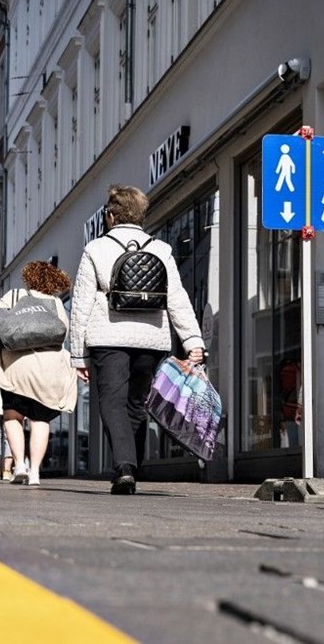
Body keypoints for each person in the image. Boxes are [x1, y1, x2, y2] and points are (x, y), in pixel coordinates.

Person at [69, 185, 204, 495]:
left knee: (112, 403)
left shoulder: (96, 249)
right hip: (152, 339)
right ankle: (130, 466)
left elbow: (81, 306)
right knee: (137, 404)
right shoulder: (161, 249)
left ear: (111, 216)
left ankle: (124, 466)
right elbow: (177, 298)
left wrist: (79, 354)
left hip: (108, 337)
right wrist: (192, 339)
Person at [0, 261, 76, 486]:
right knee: (40, 420)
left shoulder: (15, 296)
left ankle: (19, 465)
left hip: (17, 367)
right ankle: (35, 473)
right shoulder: (56, 303)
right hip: (49, 369)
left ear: (28, 278)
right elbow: (64, 332)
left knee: (12, 417)